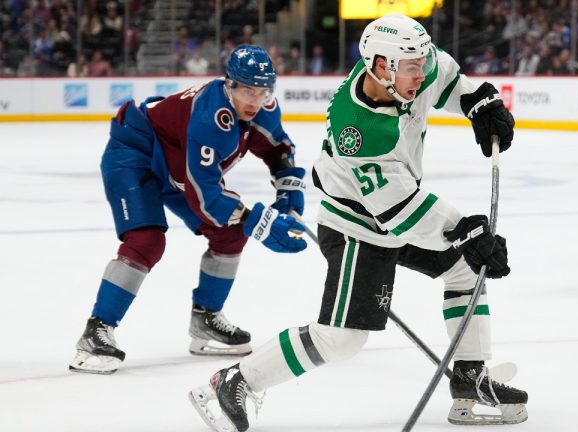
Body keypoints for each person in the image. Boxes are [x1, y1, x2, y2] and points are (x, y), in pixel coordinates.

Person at [189, 14, 527, 431]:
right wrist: (465, 229)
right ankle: (235, 380)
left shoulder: (406, 65)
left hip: (394, 213)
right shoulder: (360, 129)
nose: (421, 72)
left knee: (464, 267)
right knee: (341, 339)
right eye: (412, 67)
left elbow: (448, 78)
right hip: (357, 227)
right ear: (381, 66)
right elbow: (400, 210)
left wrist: (479, 100)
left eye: (420, 62)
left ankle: (470, 378)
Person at [68, 45, 308, 375]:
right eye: (247, 90)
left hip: (177, 162)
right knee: (147, 240)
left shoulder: (263, 108)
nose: (256, 100)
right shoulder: (213, 117)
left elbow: (278, 146)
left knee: (231, 234)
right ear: (229, 84)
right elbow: (205, 197)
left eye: (264, 90)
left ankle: (206, 319)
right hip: (135, 151)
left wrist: (288, 184)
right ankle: (96, 331)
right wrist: (259, 220)